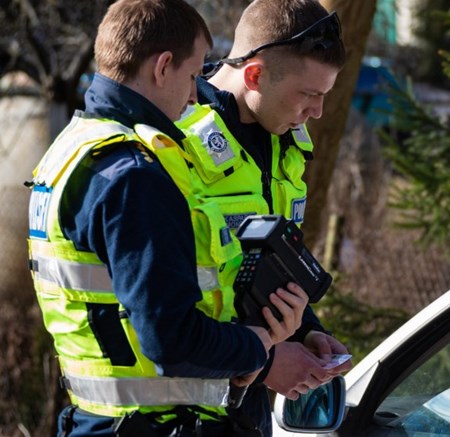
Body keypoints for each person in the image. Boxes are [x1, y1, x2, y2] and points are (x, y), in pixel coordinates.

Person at [26, 0, 308, 435]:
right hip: (160, 425)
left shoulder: (71, 150)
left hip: (96, 420)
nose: (196, 94)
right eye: (193, 75)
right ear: (162, 68)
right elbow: (170, 338)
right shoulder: (136, 176)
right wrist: (258, 347)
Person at [175, 1, 350, 434]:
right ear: (254, 74)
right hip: (179, 414)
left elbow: (257, 266)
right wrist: (267, 359)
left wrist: (305, 331)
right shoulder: (174, 140)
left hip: (244, 415)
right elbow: (155, 306)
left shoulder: (283, 139)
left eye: (325, 95)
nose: (318, 112)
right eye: (309, 94)